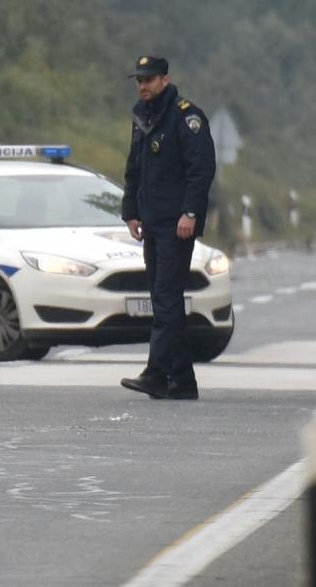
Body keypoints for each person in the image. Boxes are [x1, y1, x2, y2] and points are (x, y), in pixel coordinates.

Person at [119, 55, 217, 401]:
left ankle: (156, 373)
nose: (143, 86)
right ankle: (182, 380)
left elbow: (200, 169)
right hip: (152, 221)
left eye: (149, 79)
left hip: (177, 224)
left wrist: (190, 213)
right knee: (165, 300)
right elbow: (135, 167)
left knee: (164, 298)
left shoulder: (185, 116)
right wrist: (130, 211)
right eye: (139, 80)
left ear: (165, 79)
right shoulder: (142, 117)